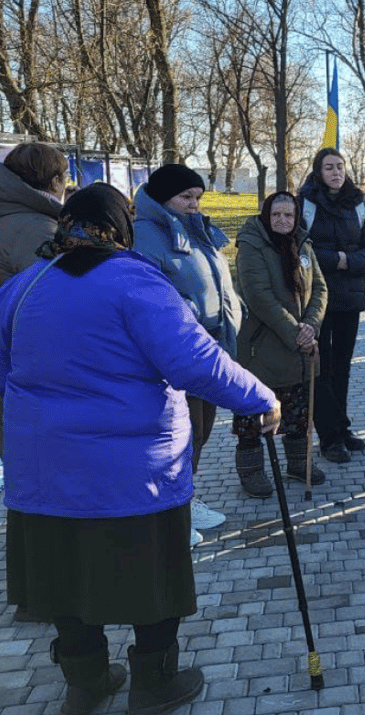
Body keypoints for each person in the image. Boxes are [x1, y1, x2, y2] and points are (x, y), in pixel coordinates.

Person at [0, 184, 280, 715]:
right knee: (153, 584)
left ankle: (86, 682)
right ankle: (153, 684)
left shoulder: (22, 287)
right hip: (135, 476)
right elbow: (194, 362)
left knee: (64, 583)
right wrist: (258, 396)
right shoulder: (138, 281)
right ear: (120, 228)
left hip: (45, 476)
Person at [133, 164, 240, 536]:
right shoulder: (146, 234)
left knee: (201, 430)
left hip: (208, 347)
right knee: (181, 435)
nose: (194, 204)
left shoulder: (196, 229)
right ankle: (171, 516)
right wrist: (195, 313)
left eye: (198, 197)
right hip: (178, 352)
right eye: (185, 197)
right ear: (164, 199)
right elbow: (149, 296)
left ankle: (186, 499)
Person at [0, 141, 69, 453]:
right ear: (55, 182)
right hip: (31, 359)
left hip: (1, 349)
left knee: (20, 451)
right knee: (43, 461)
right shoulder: (36, 228)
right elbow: (52, 305)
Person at [233, 191, 329, 496]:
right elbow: (259, 296)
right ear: (266, 215)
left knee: (298, 411)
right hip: (262, 348)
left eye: (289, 215)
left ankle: (299, 464)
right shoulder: (251, 245)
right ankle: (252, 472)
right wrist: (295, 333)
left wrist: (311, 327)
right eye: (276, 215)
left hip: (301, 348)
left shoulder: (304, 243)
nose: (283, 221)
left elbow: (321, 289)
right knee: (253, 415)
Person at [297, 148, 365, 463]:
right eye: (329, 167)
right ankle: (329, 437)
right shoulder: (304, 204)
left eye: (340, 167)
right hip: (317, 302)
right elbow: (299, 249)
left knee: (342, 369)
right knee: (321, 369)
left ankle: (342, 427)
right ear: (317, 172)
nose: (336, 172)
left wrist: (351, 261)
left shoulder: (359, 205)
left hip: (350, 299)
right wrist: (336, 259)